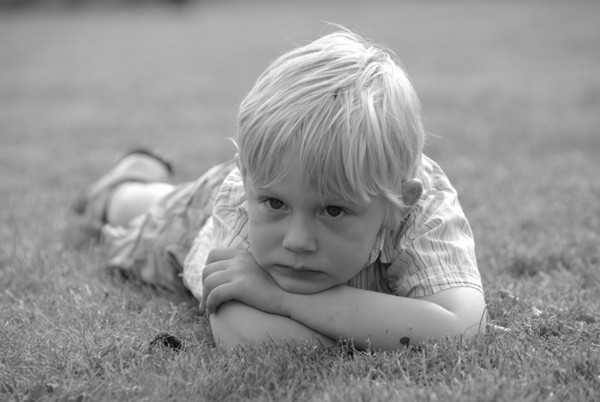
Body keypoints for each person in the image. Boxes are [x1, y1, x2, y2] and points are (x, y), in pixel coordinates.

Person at [72, 28, 486, 351]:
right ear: (250, 181)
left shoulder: (419, 203)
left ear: (398, 204)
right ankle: (122, 181)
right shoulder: (241, 196)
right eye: (275, 206)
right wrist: (382, 333)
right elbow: (242, 335)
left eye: (334, 211)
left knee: (174, 197)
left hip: (272, 182)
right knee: (143, 208)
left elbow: (463, 328)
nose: (297, 240)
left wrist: (281, 299)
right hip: (197, 219)